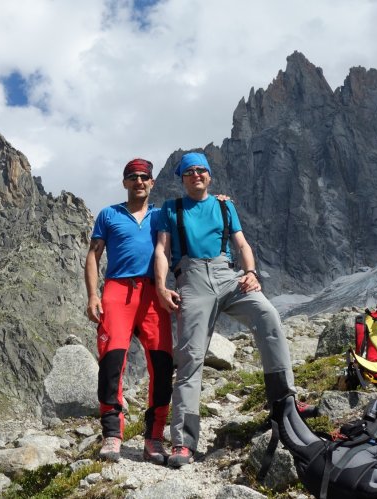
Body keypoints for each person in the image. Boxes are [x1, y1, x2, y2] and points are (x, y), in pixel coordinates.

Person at [154, 151, 313, 468]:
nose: (196, 175)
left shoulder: (226, 206)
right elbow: (162, 249)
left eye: (201, 171)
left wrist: (251, 272)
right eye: (189, 172)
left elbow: (241, 245)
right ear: (182, 178)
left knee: (267, 314)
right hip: (192, 279)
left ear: (209, 176)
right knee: (190, 357)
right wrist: (161, 286)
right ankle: (184, 444)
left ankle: (284, 402)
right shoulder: (170, 209)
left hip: (229, 276)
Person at [85, 158, 173, 465]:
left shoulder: (164, 214)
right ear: (125, 182)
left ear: (152, 183)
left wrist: (219, 202)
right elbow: (94, 255)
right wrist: (93, 295)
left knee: (162, 365)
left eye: (144, 177)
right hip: (117, 292)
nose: (138, 181)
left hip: (153, 293)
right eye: (132, 177)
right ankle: (112, 434)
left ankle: (155, 438)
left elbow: (195, 210)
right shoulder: (109, 214)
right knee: (111, 362)